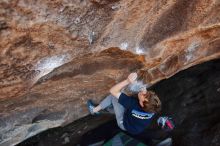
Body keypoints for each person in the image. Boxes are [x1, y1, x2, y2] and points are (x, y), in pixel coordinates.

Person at [87, 72, 161, 135]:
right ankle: (111, 109)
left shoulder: (133, 105)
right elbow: (147, 98)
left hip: (124, 124)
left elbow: (113, 91)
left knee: (114, 97)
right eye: (146, 93)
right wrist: (144, 92)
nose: (143, 92)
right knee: (120, 105)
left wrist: (127, 81)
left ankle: (94, 110)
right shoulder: (153, 108)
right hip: (135, 126)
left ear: (141, 104)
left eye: (143, 95)